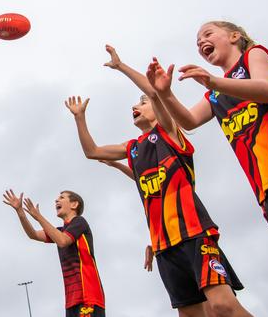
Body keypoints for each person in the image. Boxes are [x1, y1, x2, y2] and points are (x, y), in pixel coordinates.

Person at [64, 45, 251, 317]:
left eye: (141, 102)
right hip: (164, 244)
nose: (135, 106)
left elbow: (155, 92)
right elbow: (92, 151)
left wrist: (121, 66)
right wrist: (80, 119)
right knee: (190, 314)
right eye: (136, 103)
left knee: (222, 306)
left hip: (194, 234)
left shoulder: (169, 133)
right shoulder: (133, 148)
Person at [148, 21, 268, 246]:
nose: (201, 42)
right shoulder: (216, 94)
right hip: (265, 180)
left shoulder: (253, 55)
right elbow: (189, 121)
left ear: (235, 36)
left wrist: (213, 81)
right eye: (197, 42)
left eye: (208, 34)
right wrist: (165, 94)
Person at [3, 189, 105, 317]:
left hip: (88, 296)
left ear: (74, 204)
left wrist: (39, 217)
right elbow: (33, 234)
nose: (57, 200)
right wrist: (20, 211)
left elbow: (62, 241)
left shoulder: (80, 222)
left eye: (62, 197)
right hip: (71, 300)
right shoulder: (60, 231)